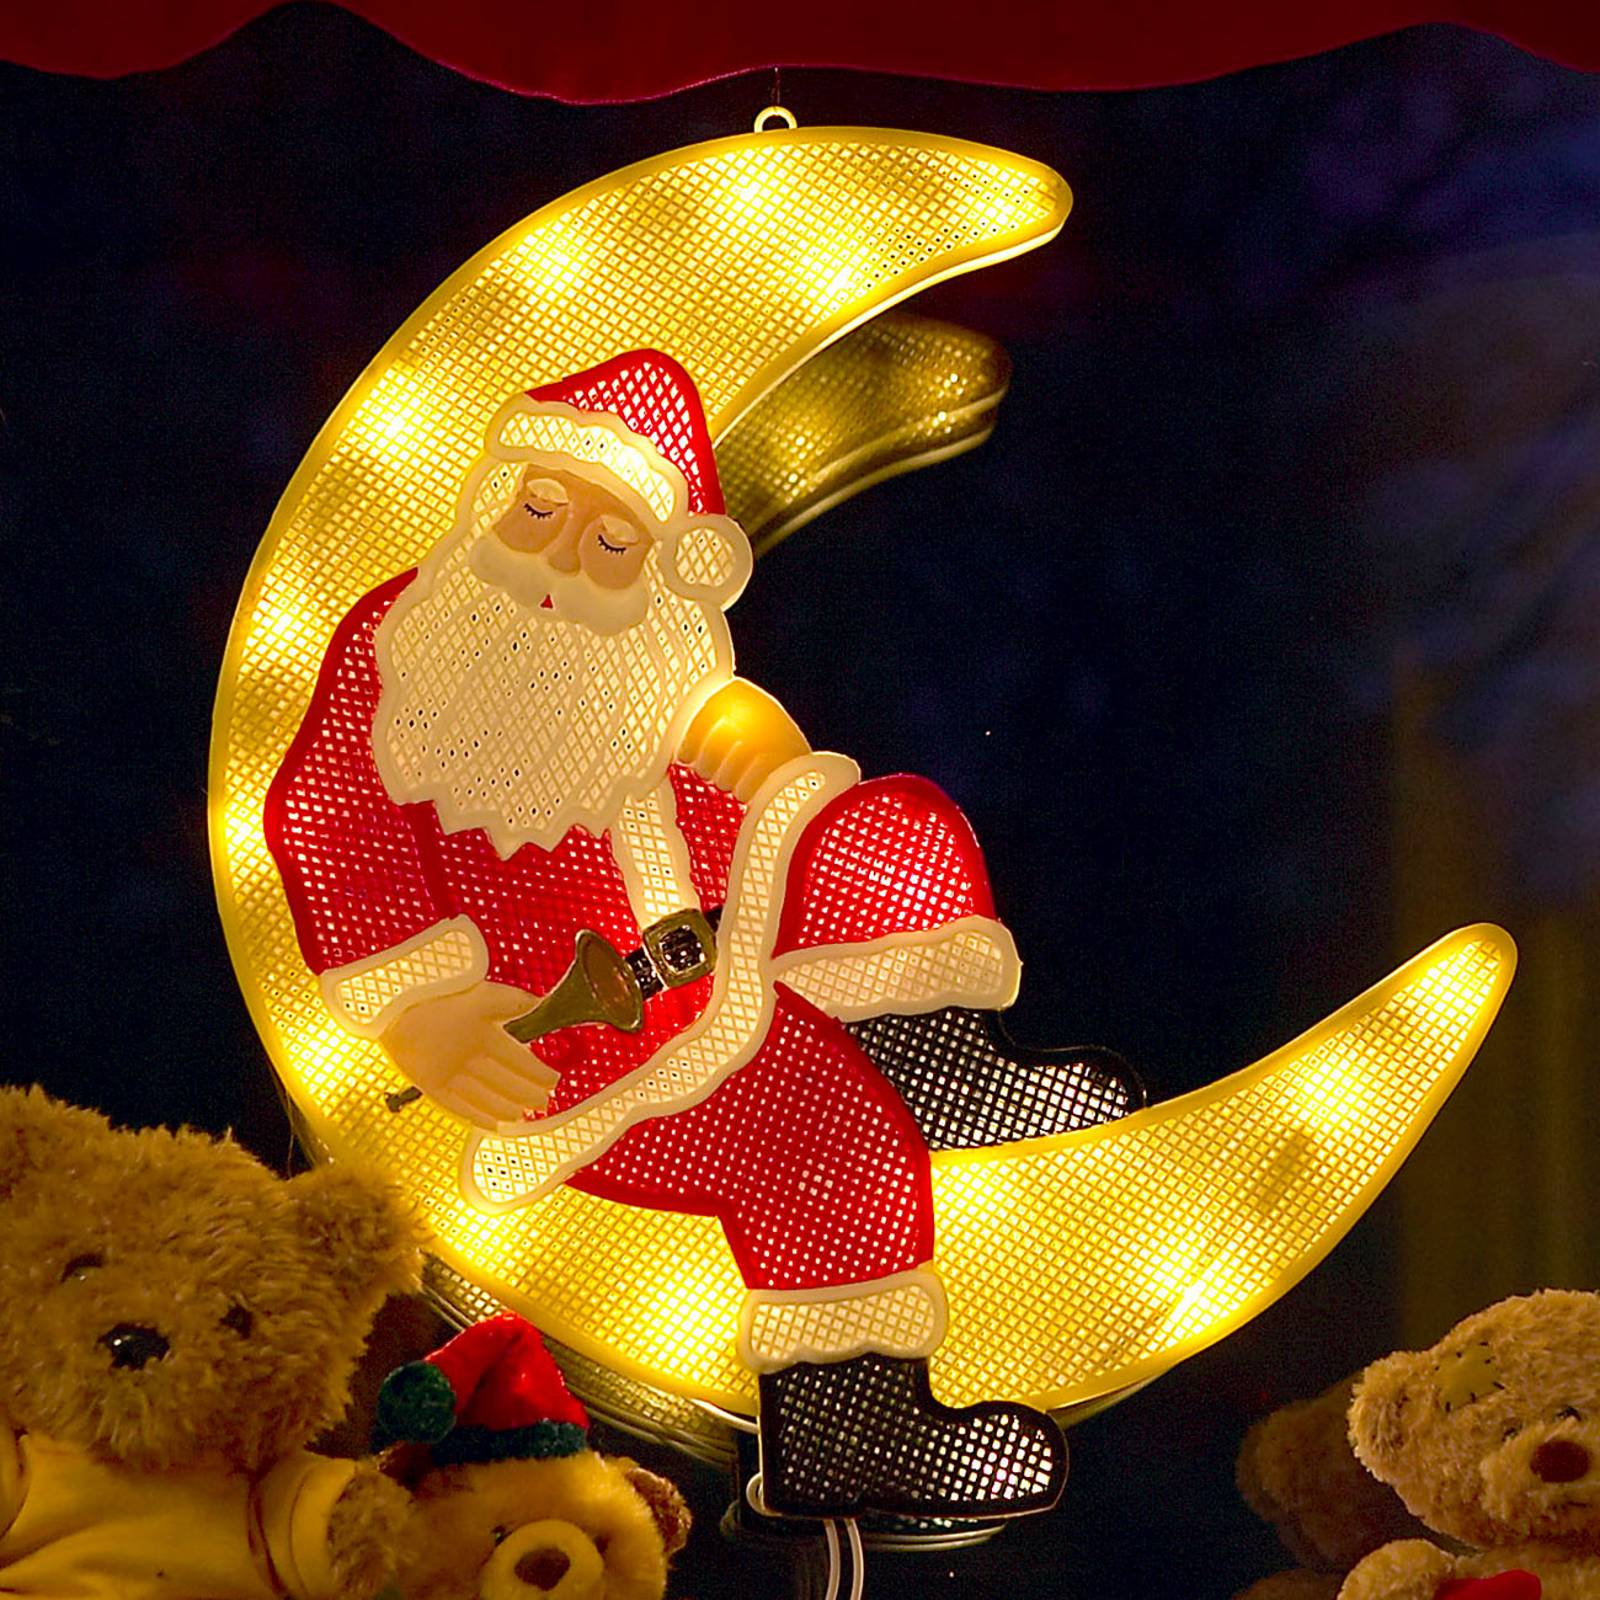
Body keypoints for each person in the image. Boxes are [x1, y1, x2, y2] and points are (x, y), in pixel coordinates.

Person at [266, 349, 1065, 1519]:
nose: (558, 560)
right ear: (491, 503)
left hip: (693, 951)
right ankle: (854, 1432)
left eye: (608, 541)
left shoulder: (643, 662)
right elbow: (334, 827)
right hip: (569, 1044)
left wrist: (763, 764)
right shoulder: (409, 654)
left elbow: (706, 812)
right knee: (819, 1132)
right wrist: (424, 1006)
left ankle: (942, 1066)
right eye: (539, 511)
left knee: (882, 830)